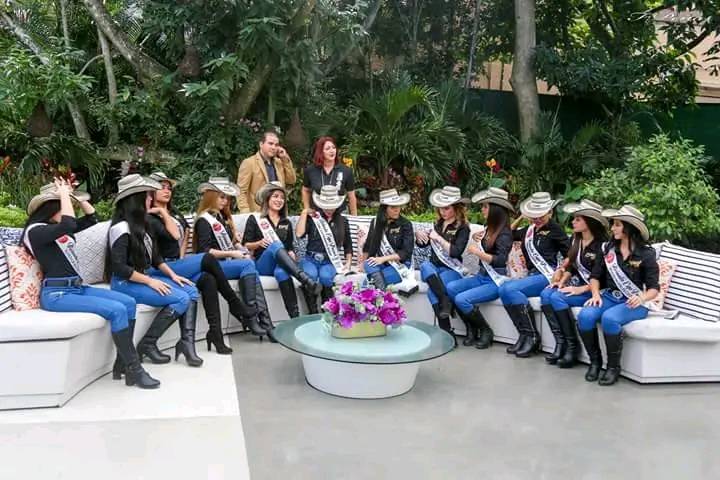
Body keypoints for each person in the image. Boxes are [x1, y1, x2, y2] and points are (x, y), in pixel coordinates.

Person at [22, 179, 158, 389]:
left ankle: (122, 364)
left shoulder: (54, 230)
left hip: (77, 288)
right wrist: (63, 194)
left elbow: (92, 218)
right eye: (66, 205)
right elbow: (68, 224)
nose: (71, 210)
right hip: (58, 294)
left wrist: (75, 197)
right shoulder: (36, 231)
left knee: (129, 303)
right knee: (117, 310)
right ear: (52, 207)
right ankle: (135, 369)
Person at [147, 172, 255, 355]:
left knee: (208, 279)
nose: (167, 190)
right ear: (150, 192)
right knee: (207, 258)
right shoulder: (149, 217)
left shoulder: (175, 214)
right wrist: (162, 213)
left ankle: (215, 335)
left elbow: (183, 238)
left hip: (178, 264)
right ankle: (234, 303)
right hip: (160, 268)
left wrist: (182, 259)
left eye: (169, 187)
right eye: (161, 187)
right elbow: (162, 245)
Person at [107, 174, 200, 372]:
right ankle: (148, 343)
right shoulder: (120, 228)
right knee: (181, 299)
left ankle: (183, 344)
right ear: (136, 199)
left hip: (141, 278)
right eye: (148, 195)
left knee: (191, 290)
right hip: (125, 283)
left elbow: (156, 258)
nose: (151, 198)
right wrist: (150, 281)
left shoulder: (143, 224)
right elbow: (119, 268)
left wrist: (173, 276)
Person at [576, 205, 659, 386]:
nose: (612, 228)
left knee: (610, 318)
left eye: (617, 225)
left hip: (635, 303)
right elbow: (595, 276)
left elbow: (654, 289)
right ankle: (595, 362)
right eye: (613, 224)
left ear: (630, 228)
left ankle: (613, 367)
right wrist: (595, 294)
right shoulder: (608, 249)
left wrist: (641, 298)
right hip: (609, 297)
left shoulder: (646, 254)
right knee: (585, 316)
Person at [192, 176, 269, 338]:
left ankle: (259, 318)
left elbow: (227, 244)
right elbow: (205, 252)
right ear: (211, 197)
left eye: (227, 198)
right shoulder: (204, 221)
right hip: (211, 266)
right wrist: (232, 253)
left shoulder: (221, 218)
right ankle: (255, 317)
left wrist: (237, 245)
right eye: (221, 197)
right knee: (248, 265)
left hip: (224, 264)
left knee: (250, 266)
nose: (225, 201)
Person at [499, 192, 570, 358]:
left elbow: (570, 255)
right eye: (534, 215)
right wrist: (523, 216)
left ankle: (532, 336)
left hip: (547, 274)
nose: (537, 219)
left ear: (550, 212)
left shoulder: (555, 229)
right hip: (532, 275)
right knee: (502, 290)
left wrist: (560, 270)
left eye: (540, 215)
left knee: (510, 289)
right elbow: (508, 234)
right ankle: (523, 334)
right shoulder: (529, 230)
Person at [539, 200, 608, 368]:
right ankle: (562, 343)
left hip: (596, 290)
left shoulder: (603, 246)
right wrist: (561, 282)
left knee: (556, 298)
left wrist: (580, 289)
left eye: (578, 219)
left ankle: (572, 347)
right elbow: (571, 266)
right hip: (579, 286)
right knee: (547, 293)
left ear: (589, 222)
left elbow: (604, 278)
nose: (573, 222)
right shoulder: (576, 240)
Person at [446, 187, 514, 349]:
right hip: (481, 276)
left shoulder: (504, 233)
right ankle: (471, 328)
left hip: (496, 280)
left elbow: (500, 260)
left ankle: (485, 330)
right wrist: (478, 237)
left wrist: (478, 252)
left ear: (495, 210)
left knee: (462, 299)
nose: (482, 209)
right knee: (451, 288)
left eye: (485, 206)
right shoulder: (490, 228)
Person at [242, 181, 321, 318]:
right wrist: (259, 243)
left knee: (281, 273)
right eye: (275, 196)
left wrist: (291, 253)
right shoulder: (255, 219)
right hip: (263, 263)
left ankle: (295, 317)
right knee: (275, 245)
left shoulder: (286, 222)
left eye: (282, 198)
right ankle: (305, 279)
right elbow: (246, 244)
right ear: (267, 198)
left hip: (280, 264)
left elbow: (289, 247)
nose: (279, 200)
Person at [416, 186, 471, 344]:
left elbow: (455, 252)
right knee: (425, 265)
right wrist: (419, 237)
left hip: (451, 268)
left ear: (456, 208)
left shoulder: (463, 228)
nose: (442, 212)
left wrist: (439, 239)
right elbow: (425, 245)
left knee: (432, 292)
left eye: (446, 208)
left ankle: (447, 332)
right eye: (440, 208)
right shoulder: (438, 224)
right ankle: (445, 301)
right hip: (433, 269)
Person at [296, 185, 353, 313]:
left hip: (329, 260)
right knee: (310, 276)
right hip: (310, 258)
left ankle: (327, 312)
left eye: (332, 206)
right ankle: (312, 312)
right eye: (326, 206)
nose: (329, 209)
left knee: (326, 277)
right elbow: (299, 234)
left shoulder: (343, 221)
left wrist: (348, 263)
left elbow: (348, 245)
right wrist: (304, 213)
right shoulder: (313, 218)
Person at [359, 189, 417, 295]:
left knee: (368, 284)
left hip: (401, 265)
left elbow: (406, 252)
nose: (397, 210)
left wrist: (382, 259)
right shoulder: (375, 222)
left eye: (398, 206)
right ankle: (383, 296)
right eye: (393, 207)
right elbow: (368, 246)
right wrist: (362, 265)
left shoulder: (406, 224)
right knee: (368, 263)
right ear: (384, 208)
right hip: (382, 265)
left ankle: (381, 296)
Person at [236, 130, 296, 213]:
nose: (273, 147)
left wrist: (285, 158)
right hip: (258, 212)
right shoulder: (249, 163)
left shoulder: (279, 162)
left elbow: (291, 180)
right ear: (261, 144)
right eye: (270, 143)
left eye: (276, 145)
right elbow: (241, 191)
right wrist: (246, 212)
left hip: (278, 213)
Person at [302, 136, 357, 215]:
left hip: (340, 214)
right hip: (317, 214)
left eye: (333, 148)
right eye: (328, 149)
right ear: (320, 152)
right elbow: (305, 190)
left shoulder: (346, 171)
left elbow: (351, 196)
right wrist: (307, 209)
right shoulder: (310, 170)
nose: (332, 151)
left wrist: (354, 217)